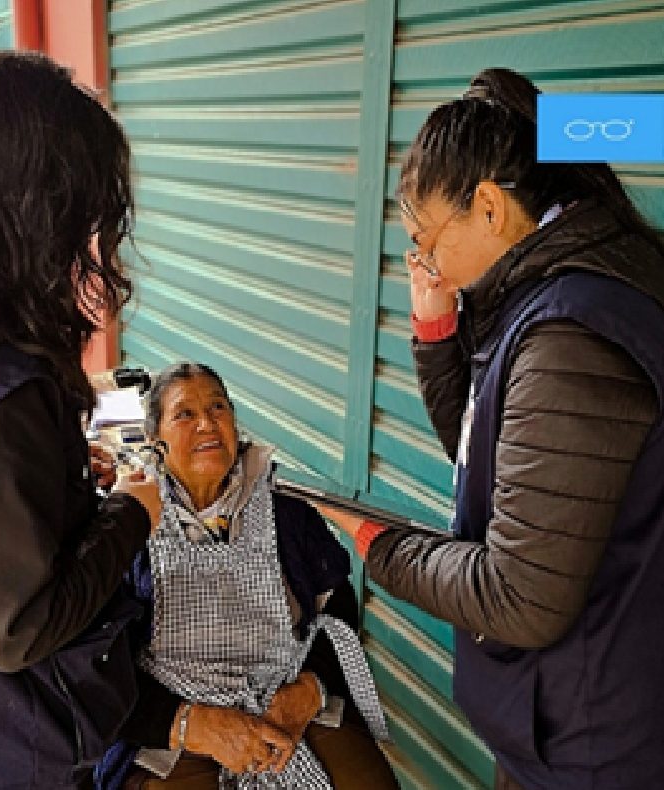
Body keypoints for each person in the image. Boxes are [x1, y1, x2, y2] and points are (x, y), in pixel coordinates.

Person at [321, 68, 664, 790]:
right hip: (574, 717)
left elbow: (520, 597)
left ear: (487, 206)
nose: (424, 262)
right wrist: (435, 333)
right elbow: (496, 465)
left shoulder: (567, 334)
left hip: (592, 745)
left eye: (425, 240)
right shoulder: (551, 291)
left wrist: (378, 545)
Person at [0, 51, 162, 789]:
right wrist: (132, 512)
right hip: (5, 754)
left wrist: (55, 486)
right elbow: (17, 627)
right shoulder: (4, 386)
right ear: (36, 213)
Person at [94, 363, 399, 790]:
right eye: (185, 414)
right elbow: (101, 664)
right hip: (176, 722)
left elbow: (338, 605)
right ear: (155, 438)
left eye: (218, 407)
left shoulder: (287, 511)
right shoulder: (130, 521)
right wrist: (190, 725)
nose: (207, 424)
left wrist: (311, 687)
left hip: (284, 702)